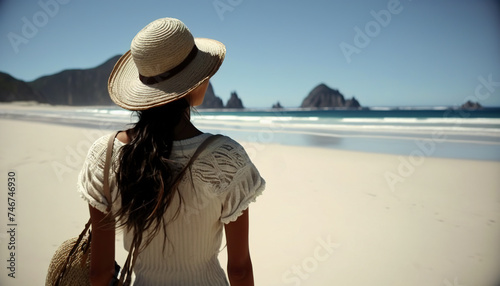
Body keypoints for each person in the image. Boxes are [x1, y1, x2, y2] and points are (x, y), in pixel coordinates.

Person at [77, 17, 265, 286]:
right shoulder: (227, 158)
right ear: (196, 81)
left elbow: (99, 274)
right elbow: (240, 271)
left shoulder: (105, 155)